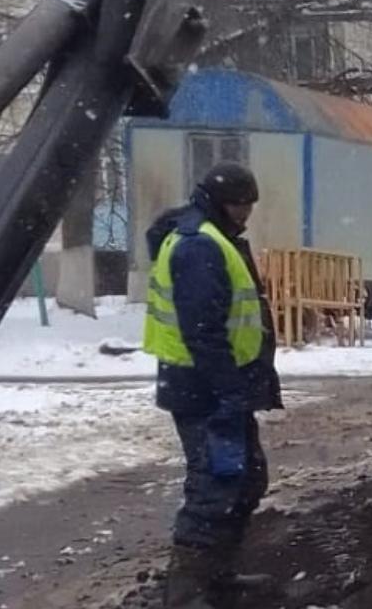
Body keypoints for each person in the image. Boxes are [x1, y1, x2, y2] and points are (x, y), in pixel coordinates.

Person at [142, 163, 281, 608]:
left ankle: (218, 576)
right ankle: (185, 595)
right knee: (215, 485)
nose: (247, 215)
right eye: (242, 205)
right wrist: (229, 391)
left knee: (246, 479)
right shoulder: (199, 245)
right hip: (204, 391)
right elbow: (202, 330)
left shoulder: (211, 236)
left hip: (219, 388)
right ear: (222, 202)